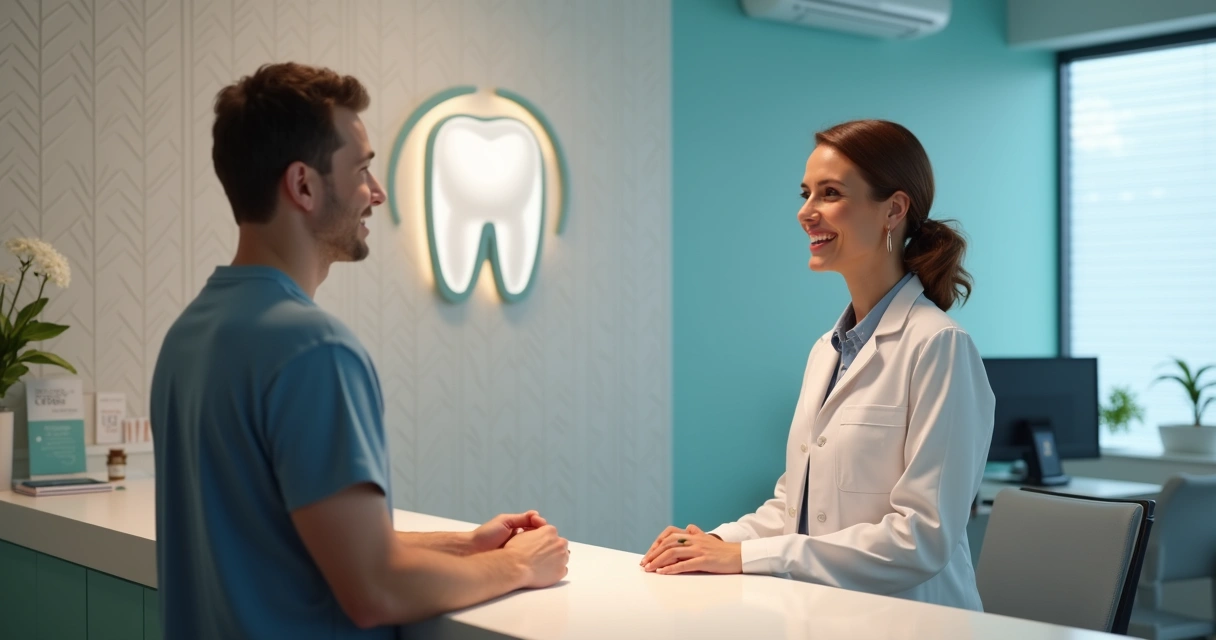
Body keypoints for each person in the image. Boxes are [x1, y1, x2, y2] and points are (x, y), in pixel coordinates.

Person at [150, 62, 569, 639]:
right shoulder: (313, 348)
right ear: (303, 185)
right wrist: (519, 564)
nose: (377, 193)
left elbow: (286, 535)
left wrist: (467, 545)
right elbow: (375, 588)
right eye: (363, 169)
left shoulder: (191, 334)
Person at [641, 119, 995, 611]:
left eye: (829, 194)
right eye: (806, 193)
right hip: (824, 615)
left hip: (915, 622)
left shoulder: (939, 346)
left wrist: (746, 556)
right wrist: (717, 543)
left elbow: (921, 539)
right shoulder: (826, 351)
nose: (806, 213)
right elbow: (795, 506)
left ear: (893, 209)